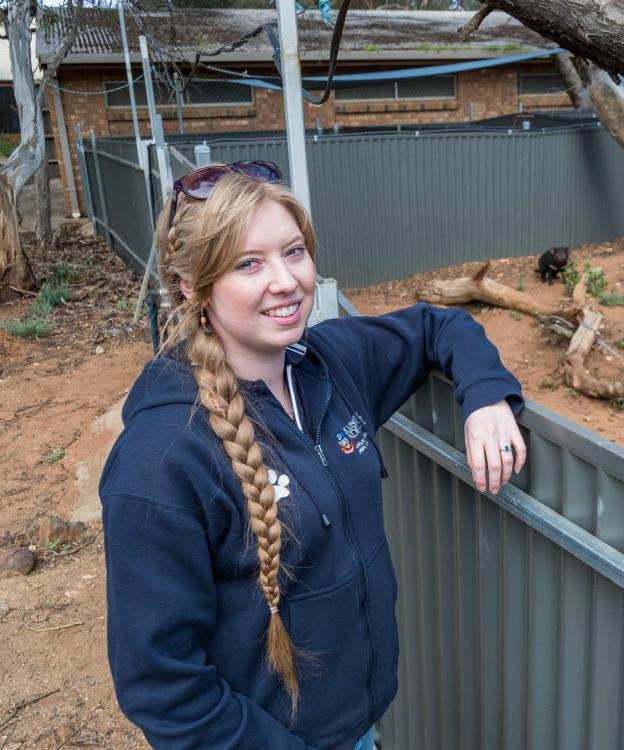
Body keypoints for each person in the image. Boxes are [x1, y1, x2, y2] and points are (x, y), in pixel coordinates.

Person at [99, 160, 526, 750]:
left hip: (358, 724)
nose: (285, 280)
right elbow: (160, 684)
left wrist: (485, 397)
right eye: (248, 263)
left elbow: (438, 326)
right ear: (192, 287)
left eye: (294, 251)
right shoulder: (161, 461)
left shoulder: (327, 365)